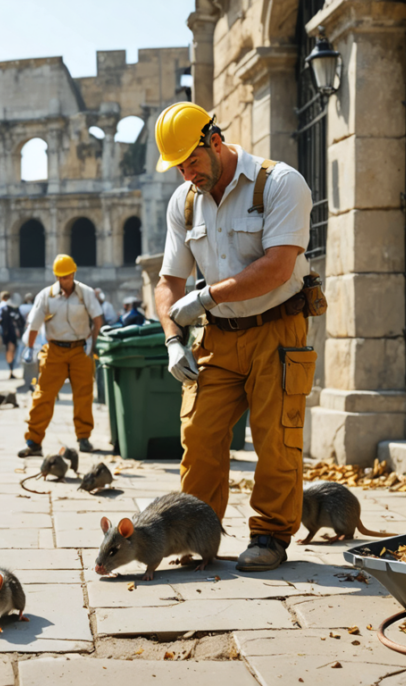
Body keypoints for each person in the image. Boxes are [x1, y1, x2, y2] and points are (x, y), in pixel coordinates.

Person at [153, 101, 317, 573]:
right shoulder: (184, 201)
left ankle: (269, 534)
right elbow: (169, 282)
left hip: (277, 329)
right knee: (199, 433)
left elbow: (278, 266)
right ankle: (193, 531)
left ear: (215, 141)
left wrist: (204, 300)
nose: (187, 172)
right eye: (179, 165)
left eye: (193, 159)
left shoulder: (280, 183)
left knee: (276, 437)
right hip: (218, 339)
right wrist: (171, 338)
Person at [17, 254, 104, 457]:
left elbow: (97, 319)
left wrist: (92, 344)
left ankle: (84, 437)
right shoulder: (46, 295)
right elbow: (34, 325)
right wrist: (29, 348)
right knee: (43, 396)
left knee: (83, 395)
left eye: (66, 276)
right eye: (59, 277)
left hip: (80, 350)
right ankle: (33, 441)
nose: (62, 281)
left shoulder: (85, 293)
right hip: (54, 350)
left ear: (73, 273)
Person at [0, 291, 25, 380]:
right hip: (12, 333)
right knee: (12, 350)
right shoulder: (12, 308)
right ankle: (11, 369)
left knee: (10, 350)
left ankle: (11, 368)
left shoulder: (0, 308)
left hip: (6, 332)